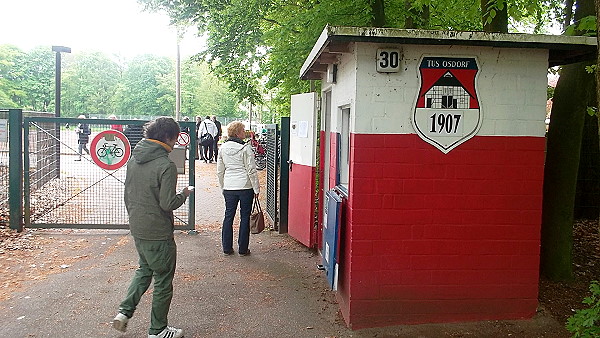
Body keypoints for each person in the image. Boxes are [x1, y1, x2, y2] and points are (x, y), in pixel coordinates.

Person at [112, 117, 192, 338]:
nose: (176, 143)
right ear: (167, 137)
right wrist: (184, 194)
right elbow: (168, 203)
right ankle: (158, 330)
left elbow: (128, 193)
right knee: (164, 280)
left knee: (145, 269)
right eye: (175, 138)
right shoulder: (166, 165)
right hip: (158, 231)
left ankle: (124, 313)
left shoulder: (134, 159)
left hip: (138, 225)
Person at [217, 121, 260, 256]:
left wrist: (223, 186)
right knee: (245, 217)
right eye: (242, 130)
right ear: (237, 133)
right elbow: (251, 170)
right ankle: (243, 249)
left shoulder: (222, 148)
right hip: (245, 187)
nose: (244, 132)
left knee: (228, 216)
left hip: (229, 186)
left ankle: (227, 247)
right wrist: (256, 189)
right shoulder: (245, 148)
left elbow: (220, 171)